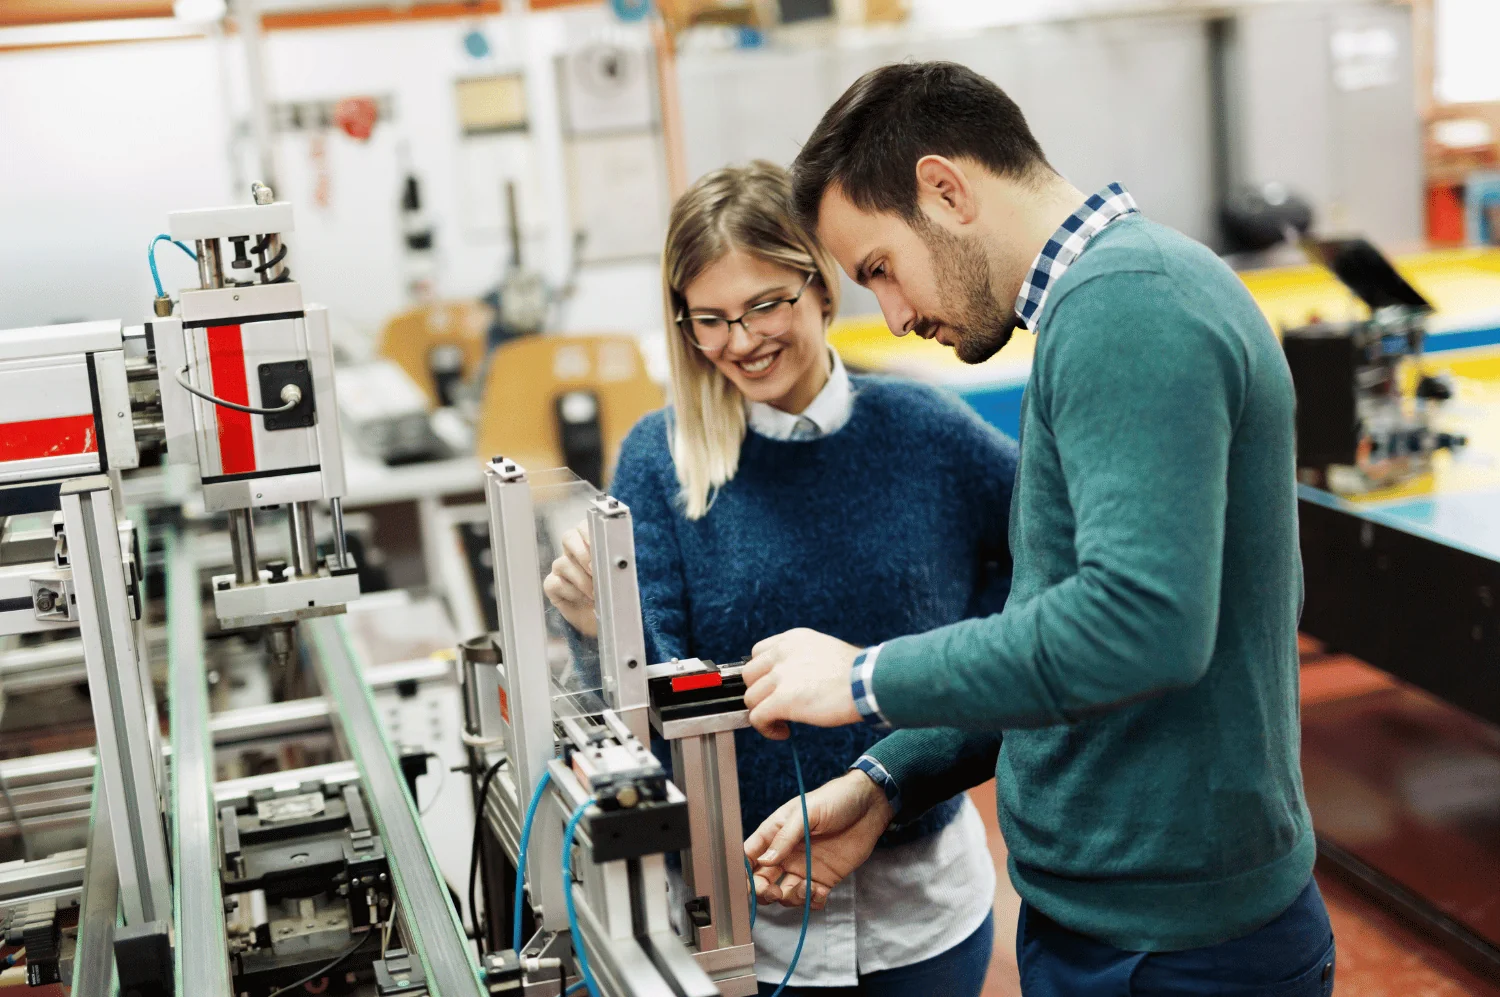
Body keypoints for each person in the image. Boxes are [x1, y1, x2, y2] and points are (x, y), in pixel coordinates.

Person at [740, 62, 1336, 996]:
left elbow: (1136, 625)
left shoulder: (1126, 304)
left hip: (1172, 953)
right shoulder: (1110, 302)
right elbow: (1050, 632)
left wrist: (862, 677)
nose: (894, 317)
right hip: (1125, 929)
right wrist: (890, 777)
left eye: (881, 270)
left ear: (945, 189)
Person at [542, 161, 1017, 996]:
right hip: (747, 920)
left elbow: (1042, 565)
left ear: (821, 285)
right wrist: (596, 631)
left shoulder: (928, 432)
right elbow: (651, 704)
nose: (742, 340)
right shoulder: (661, 461)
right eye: (711, 319)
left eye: (767, 303)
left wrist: (954, 686)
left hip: (924, 909)